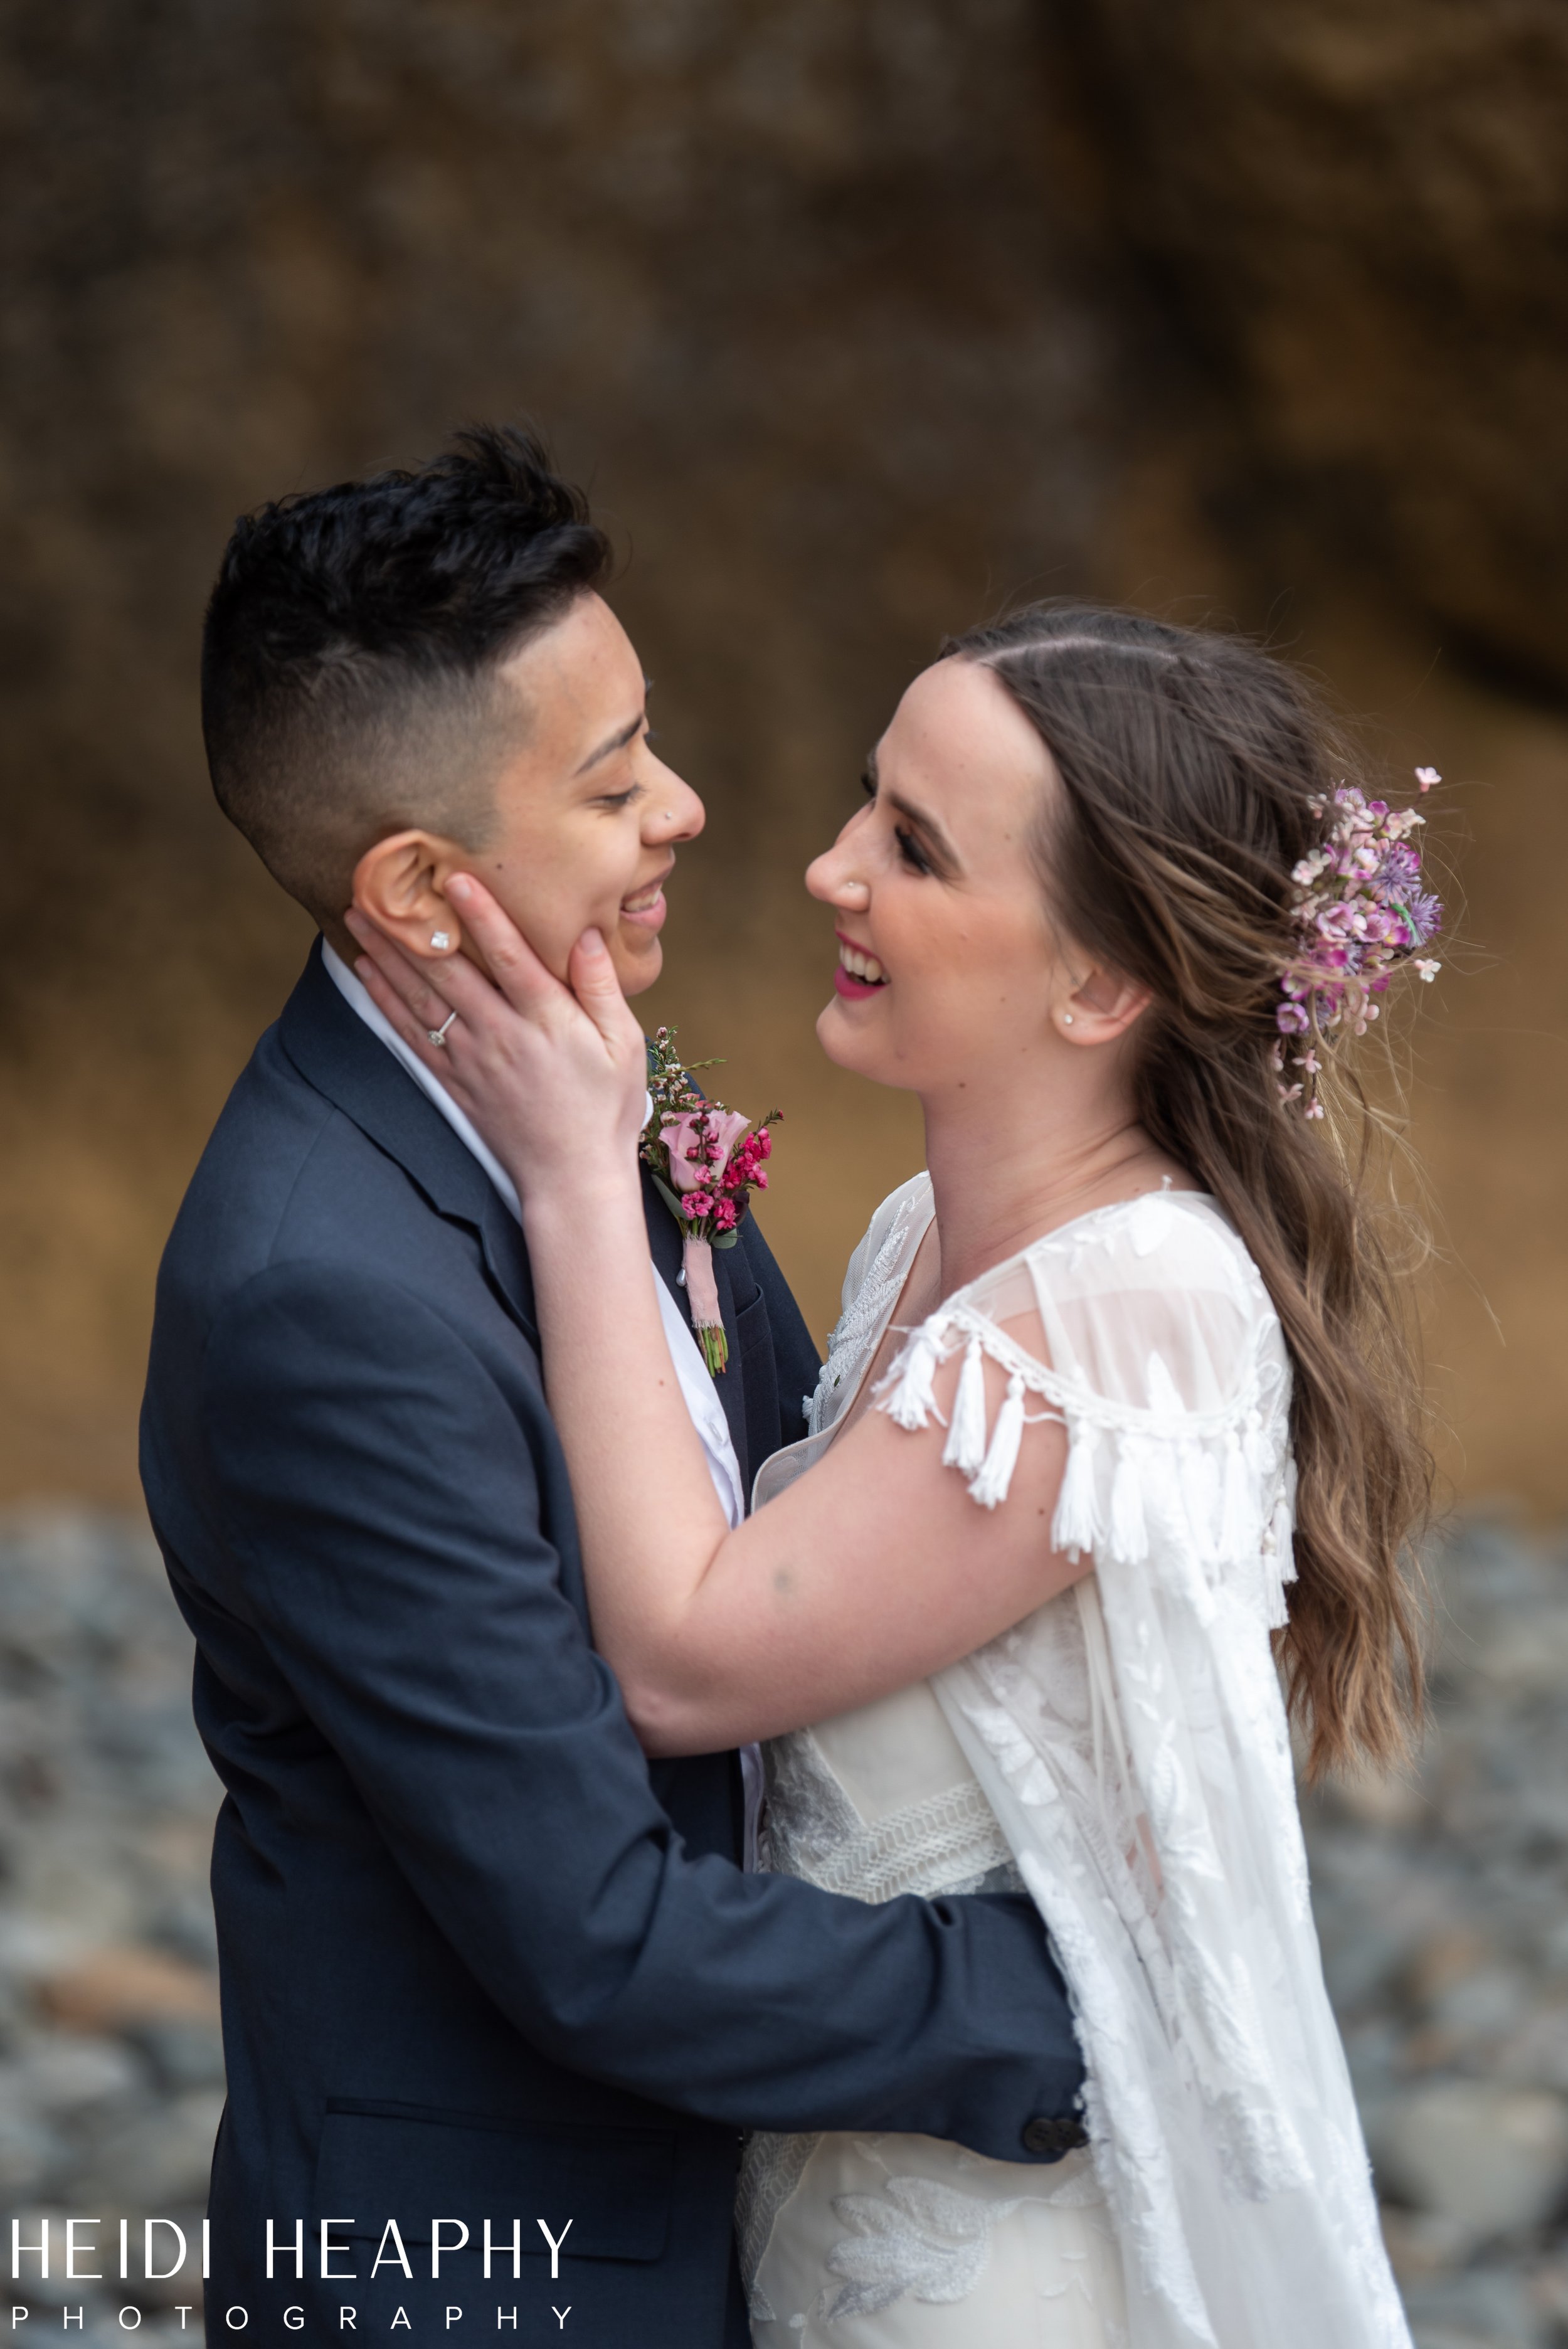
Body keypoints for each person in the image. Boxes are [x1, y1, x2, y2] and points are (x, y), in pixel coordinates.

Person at [352, 601, 1440, 2347]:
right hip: (827, 2194)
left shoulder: (1124, 1311)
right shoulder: (920, 1236)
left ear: (1097, 982)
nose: (825, 867)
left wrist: (572, 1175)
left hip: (984, 2272)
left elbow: (683, 1657)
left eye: (913, 849)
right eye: (868, 804)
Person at [138, 429, 1089, 2349]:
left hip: (743, 2182)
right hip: (505, 2266)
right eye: (614, 778)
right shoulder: (326, 1294)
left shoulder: (573, 1078)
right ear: (419, 885)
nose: (690, 806)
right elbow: (596, 1933)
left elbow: (803, 1555)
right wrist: (1065, 1996)